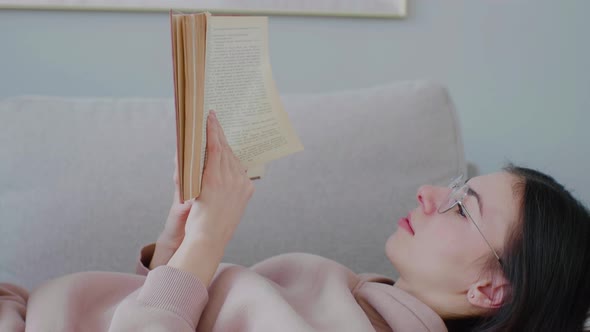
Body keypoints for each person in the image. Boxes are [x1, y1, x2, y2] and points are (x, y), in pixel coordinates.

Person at [1, 111, 589, 332]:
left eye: (463, 206)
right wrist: (176, 251)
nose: (429, 192)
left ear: (490, 289)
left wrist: (207, 243)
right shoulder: (358, 295)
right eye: (456, 186)